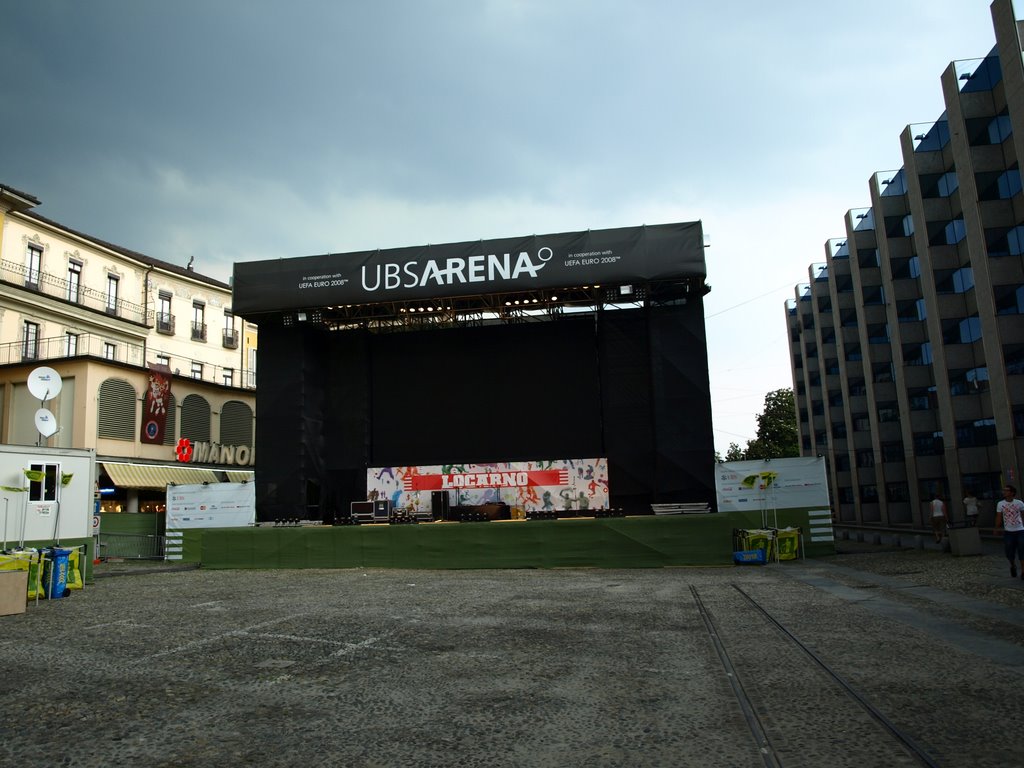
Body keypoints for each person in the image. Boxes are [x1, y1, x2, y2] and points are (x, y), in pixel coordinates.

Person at [994, 484, 1024, 580]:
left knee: (1022, 550)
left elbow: (1023, 515)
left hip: (1020, 530)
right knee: (1009, 551)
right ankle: (1013, 564)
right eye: (1004, 490)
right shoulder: (1000, 504)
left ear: (1012, 492)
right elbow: (999, 517)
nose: (1004, 492)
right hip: (1008, 531)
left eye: (1006, 490)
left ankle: (1023, 571)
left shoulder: (1019, 503)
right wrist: (996, 528)